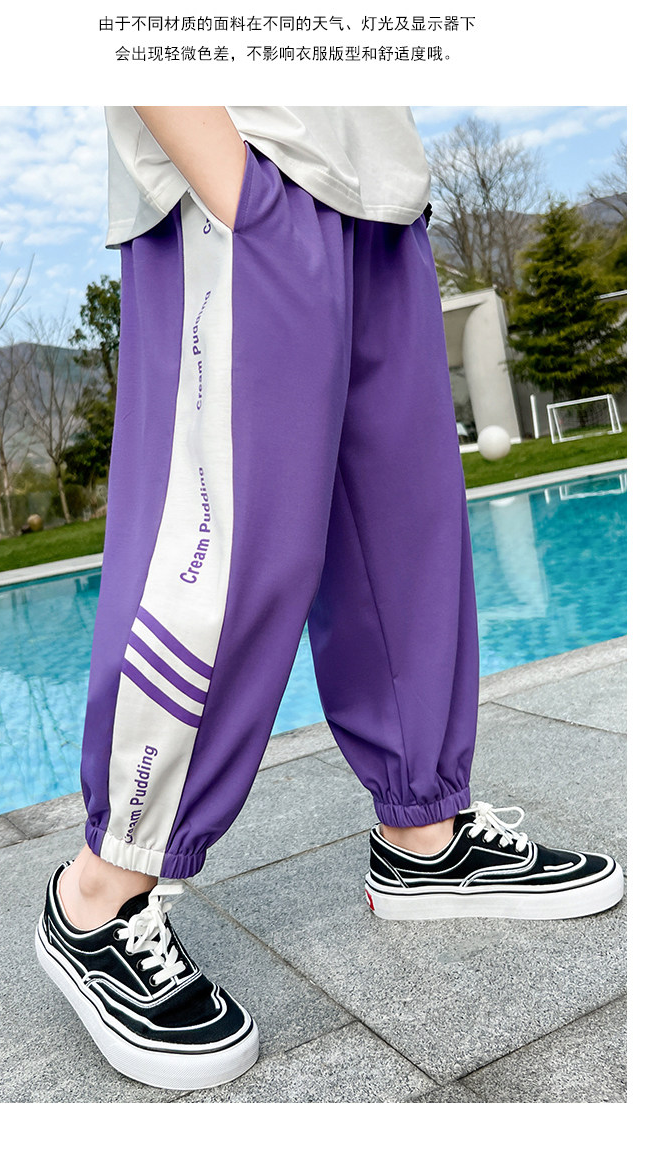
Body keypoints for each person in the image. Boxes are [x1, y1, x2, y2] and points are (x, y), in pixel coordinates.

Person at [35, 106, 624, 1092]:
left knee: (402, 531)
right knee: (230, 546)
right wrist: (234, 182)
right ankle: (101, 890)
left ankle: (423, 830)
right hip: (240, 163)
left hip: (377, 188)